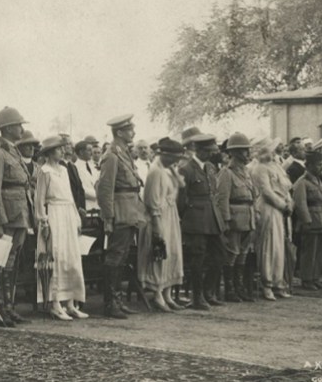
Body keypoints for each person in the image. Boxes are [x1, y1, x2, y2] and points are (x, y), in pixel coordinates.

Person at [97, 114, 145, 318]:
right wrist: (108, 218)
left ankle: (117, 299)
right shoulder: (112, 155)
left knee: (123, 256)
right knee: (115, 256)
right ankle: (110, 303)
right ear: (119, 132)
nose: (133, 132)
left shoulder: (124, 153)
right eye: (129, 129)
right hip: (120, 211)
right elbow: (105, 189)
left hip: (130, 210)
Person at [0, 106, 33, 326]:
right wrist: (2, 222)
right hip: (8, 215)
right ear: (7, 128)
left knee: (12, 263)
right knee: (2, 263)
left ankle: (9, 305)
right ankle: (0, 307)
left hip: (20, 213)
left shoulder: (13, 150)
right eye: (18, 125)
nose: (22, 129)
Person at [34, 136, 87, 320]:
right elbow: (39, 200)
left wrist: (76, 219)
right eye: (58, 149)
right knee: (57, 257)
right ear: (49, 152)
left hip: (67, 215)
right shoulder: (44, 171)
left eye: (62, 148)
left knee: (71, 258)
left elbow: (71, 197)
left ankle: (70, 303)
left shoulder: (64, 170)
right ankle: (55, 303)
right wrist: (43, 222)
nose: (62, 151)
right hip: (54, 215)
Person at [178, 133, 226, 309]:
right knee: (197, 260)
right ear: (198, 150)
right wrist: (187, 218)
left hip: (212, 218)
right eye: (207, 151)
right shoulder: (186, 169)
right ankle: (197, 297)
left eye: (211, 151)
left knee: (219, 256)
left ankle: (208, 292)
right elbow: (181, 199)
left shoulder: (210, 167)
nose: (210, 154)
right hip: (195, 220)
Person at [137, 138, 185, 312]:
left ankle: (167, 293)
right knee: (160, 254)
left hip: (170, 215)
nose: (177, 161)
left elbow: (180, 186)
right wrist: (157, 226)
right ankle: (157, 294)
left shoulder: (167, 170)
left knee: (172, 253)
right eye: (174, 157)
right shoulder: (155, 171)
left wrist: (174, 172)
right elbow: (152, 200)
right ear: (165, 155)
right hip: (159, 216)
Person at [216, 132, 257, 302]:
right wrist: (225, 221)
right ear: (233, 153)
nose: (247, 154)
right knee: (232, 253)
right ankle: (230, 289)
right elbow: (222, 198)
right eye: (243, 151)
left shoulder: (246, 172)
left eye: (247, 151)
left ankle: (239, 287)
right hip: (234, 217)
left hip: (248, 215)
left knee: (243, 253)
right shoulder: (227, 173)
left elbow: (253, 195)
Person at [250, 137, 292, 300]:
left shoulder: (277, 167)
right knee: (269, 246)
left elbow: (286, 187)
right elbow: (266, 191)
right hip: (268, 209)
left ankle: (278, 282)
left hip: (281, 209)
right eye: (271, 150)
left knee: (280, 247)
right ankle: (266, 283)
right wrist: (282, 204)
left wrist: (289, 202)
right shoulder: (259, 169)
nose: (274, 153)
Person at [293, 150, 322, 291]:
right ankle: (307, 279)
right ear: (308, 165)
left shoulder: (318, 180)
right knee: (309, 251)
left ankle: (315, 277)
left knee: (319, 251)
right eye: (317, 165)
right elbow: (300, 203)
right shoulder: (302, 182)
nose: (320, 167)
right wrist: (306, 221)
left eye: (321, 165)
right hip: (311, 220)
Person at [75, 139, 99, 212]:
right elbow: (80, 189)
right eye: (89, 150)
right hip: (86, 206)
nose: (91, 153)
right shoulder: (76, 167)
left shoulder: (92, 166)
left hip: (97, 205)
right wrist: (98, 194)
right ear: (81, 152)